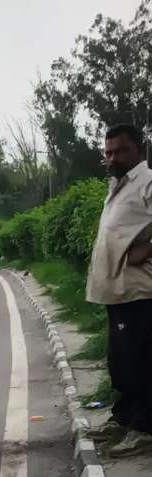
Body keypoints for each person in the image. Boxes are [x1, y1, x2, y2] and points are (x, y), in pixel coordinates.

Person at [86, 123, 152, 457]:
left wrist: (146, 250)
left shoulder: (147, 182)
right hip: (117, 292)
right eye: (108, 152)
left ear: (138, 149)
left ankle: (144, 429)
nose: (112, 157)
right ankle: (124, 418)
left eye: (120, 150)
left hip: (139, 292)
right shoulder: (118, 185)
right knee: (120, 360)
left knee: (139, 362)